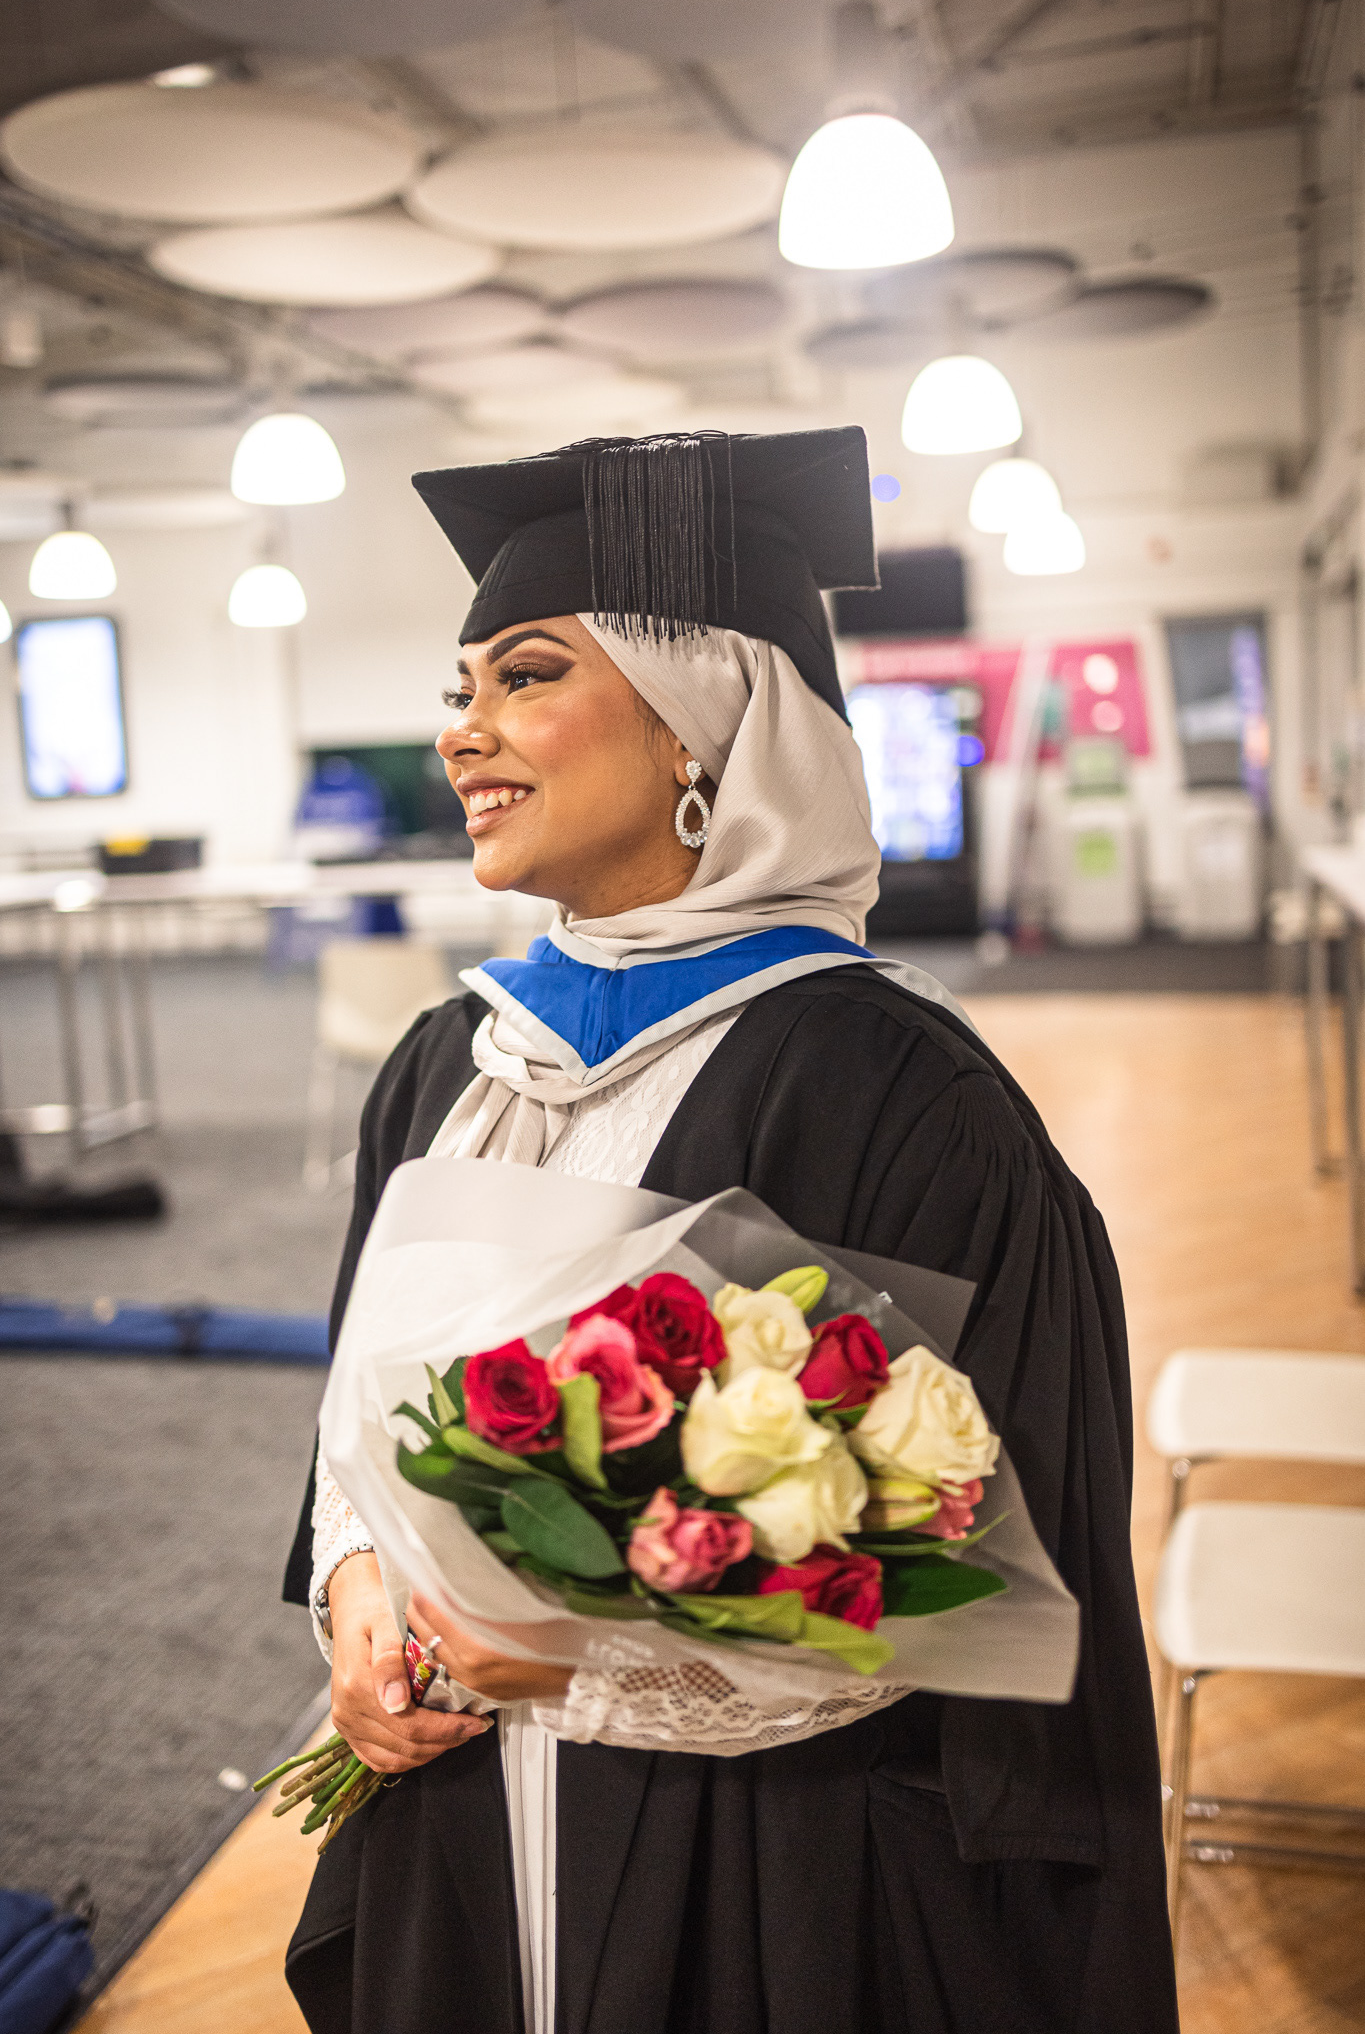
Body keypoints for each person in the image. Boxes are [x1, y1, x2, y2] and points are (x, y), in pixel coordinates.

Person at [281, 427, 1179, 2034]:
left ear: (707, 726)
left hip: (761, 1865)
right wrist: (359, 1590)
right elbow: (359, 1408)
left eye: (526, 678)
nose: (461, 733)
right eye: (459, 689)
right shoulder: (448, 1060)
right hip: (458, 1811)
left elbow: (966, 1580)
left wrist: (571, 1650)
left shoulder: (895, 1096)